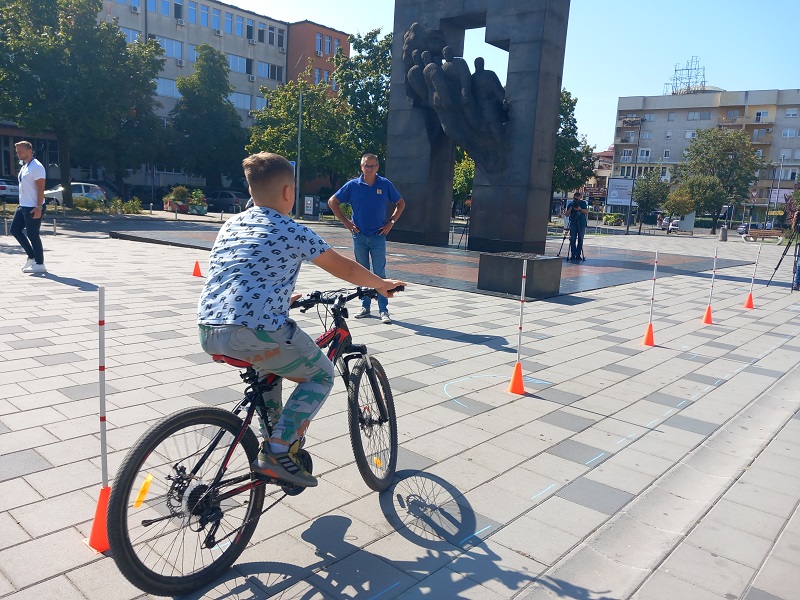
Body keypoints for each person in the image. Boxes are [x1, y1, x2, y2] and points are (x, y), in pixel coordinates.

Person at [197, 152, 406, 488]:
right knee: (321, 376)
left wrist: (283, 298)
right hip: (256, 331)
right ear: (287, 193)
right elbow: (346, 268)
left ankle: (273, 441)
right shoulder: (291, 229)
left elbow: (242, 272)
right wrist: (380, 284)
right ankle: (279, 450)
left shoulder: (231, 224)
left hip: (209, 328)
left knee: (270, 370)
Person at [328, 153, 406, 324]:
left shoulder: (385, 185)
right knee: (362, 273)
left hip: (378, 236)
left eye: (372, 166)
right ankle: (365, 306)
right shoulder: (353, 185)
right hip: (359, 236)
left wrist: (390, 223)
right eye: (366, 165)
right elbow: (332, 201)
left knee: (379, 273)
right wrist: (346, 223)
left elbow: (401, 203)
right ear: (361, 167)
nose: (369, 169)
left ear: (377, 167)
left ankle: (383, 310)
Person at [12, 141, 47, 273]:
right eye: (17, 152)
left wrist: (39, 207)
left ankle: (40, 263)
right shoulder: (25, 167)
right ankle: (32, 257)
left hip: (33, 206)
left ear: (29, 151)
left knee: (33, 234)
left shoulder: (36, 167)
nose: (18, 154)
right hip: (23, 206)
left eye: (20, 151)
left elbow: (41, 188)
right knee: (15, 230)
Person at [565, 192, 588, 261]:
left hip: (581, 223)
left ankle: (578, 254)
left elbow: (586, 211)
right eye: (575, 197)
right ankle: (573, 254)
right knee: (572, 239)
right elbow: (566, 214)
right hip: (573, 223)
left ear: (580, 197)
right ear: (573, 197)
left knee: (580, 239)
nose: (577, 199)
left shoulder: (583, 203)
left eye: (578, 197)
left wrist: (580, 209)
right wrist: (571, 208)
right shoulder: (571, 204)